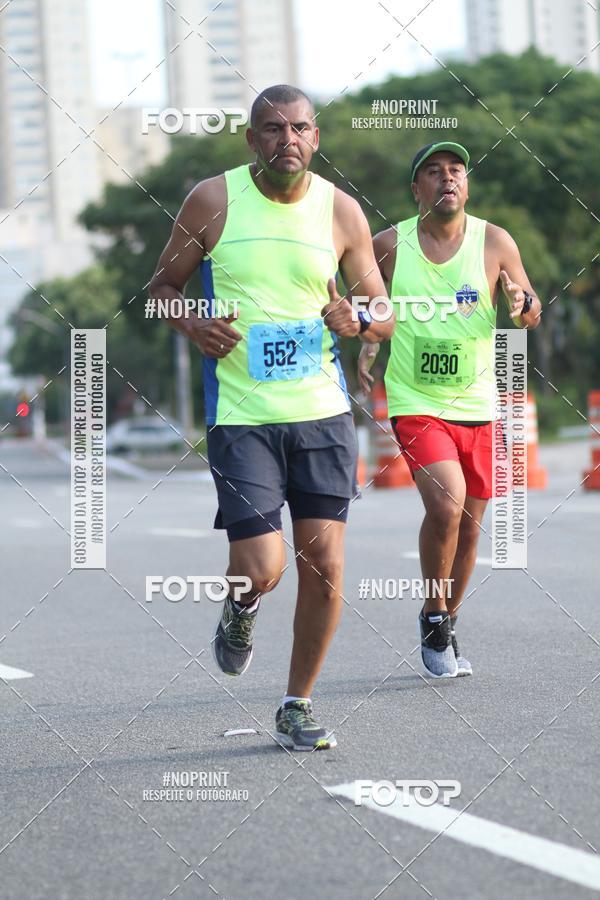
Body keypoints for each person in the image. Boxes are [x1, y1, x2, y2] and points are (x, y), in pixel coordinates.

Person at [149, 85, 394, 749]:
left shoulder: (341, 211)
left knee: (326, 566)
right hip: (242, 417)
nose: (289, 139)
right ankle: (242, 605)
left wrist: (357, 318)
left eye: (301, 128)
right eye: (274, 128)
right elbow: (161, 288)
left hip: (323, 415)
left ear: (316, 137)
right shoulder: (213, 200)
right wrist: (193, 323)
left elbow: (383, 311)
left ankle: (296, 704)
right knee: (262, 565)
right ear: (253, 138)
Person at [359, 141, 541, 678]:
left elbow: (530, 308)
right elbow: (366, 305)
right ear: (416, 189)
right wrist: (367, 342)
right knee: (447, 503)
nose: (447, 178)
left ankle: (444, 619)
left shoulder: (495, 242)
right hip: (416, 400)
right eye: (434, 172)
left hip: (479, 402)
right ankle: (435, 613)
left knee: (470, 527)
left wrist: (521, 305)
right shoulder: (388, 245)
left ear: (467, 183)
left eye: (456, 170)